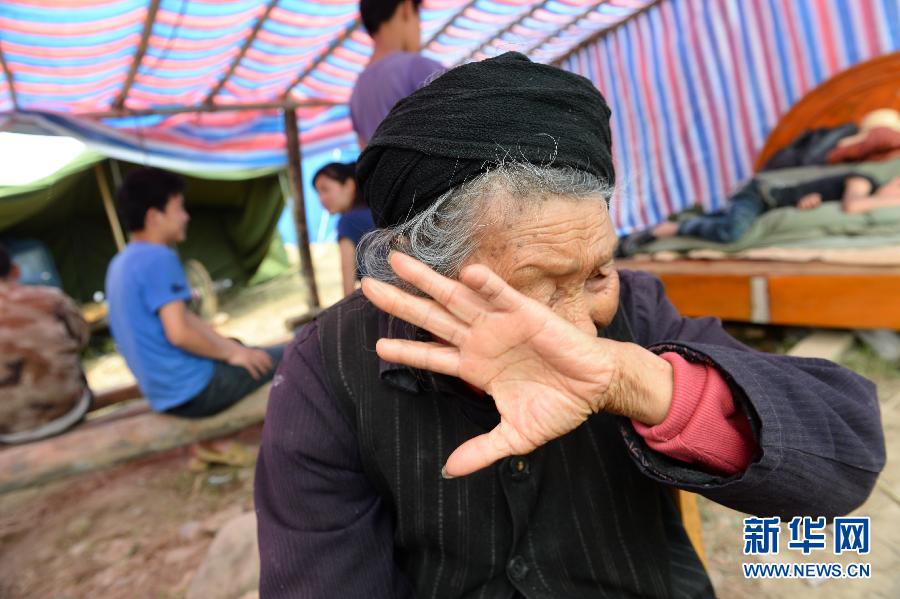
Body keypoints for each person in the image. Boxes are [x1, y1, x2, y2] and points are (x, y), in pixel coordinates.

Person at [255, 53, 884, 598]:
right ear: (421, 275)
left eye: (597, 274)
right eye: (538, 290)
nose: (581, 326)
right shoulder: (327, 368)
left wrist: (636, 381)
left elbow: (846, 456)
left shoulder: (637, 311)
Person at [105, 167, 283, 418]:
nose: (185, 217)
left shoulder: (121, 262)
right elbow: (179, 333)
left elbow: (185, 319)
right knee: (295, 354)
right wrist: (232, 353)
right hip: (195, 391)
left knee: (246, 348)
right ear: (155, 216)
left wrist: (231, 347)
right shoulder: (158, 257)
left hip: (164, 395)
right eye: (179, 208)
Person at [618, 170, 895, 255]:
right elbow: (854, 205)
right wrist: (887, 201)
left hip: (767, 208)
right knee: (732, 232)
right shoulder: (863, 179)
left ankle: (687, 219)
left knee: (725, 222)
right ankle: (673, 228)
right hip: (759, 194)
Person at [0, 244, 91, 443]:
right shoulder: (51, 299)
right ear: (15, 270)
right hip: (67, 413)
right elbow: (82, 339)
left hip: (6, 430)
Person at [350, 0, 444, 147]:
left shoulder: (356, 93)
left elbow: (364, 156)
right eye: (418, 16)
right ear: (406, 8)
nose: (419, 29)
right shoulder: (418, 68)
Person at [312, 162, 376, 296]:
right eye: (318, 193)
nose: (321, 199)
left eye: (325, 190)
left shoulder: (347, 222)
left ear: (349, 185)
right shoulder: (374, 211)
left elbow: (348, 287)